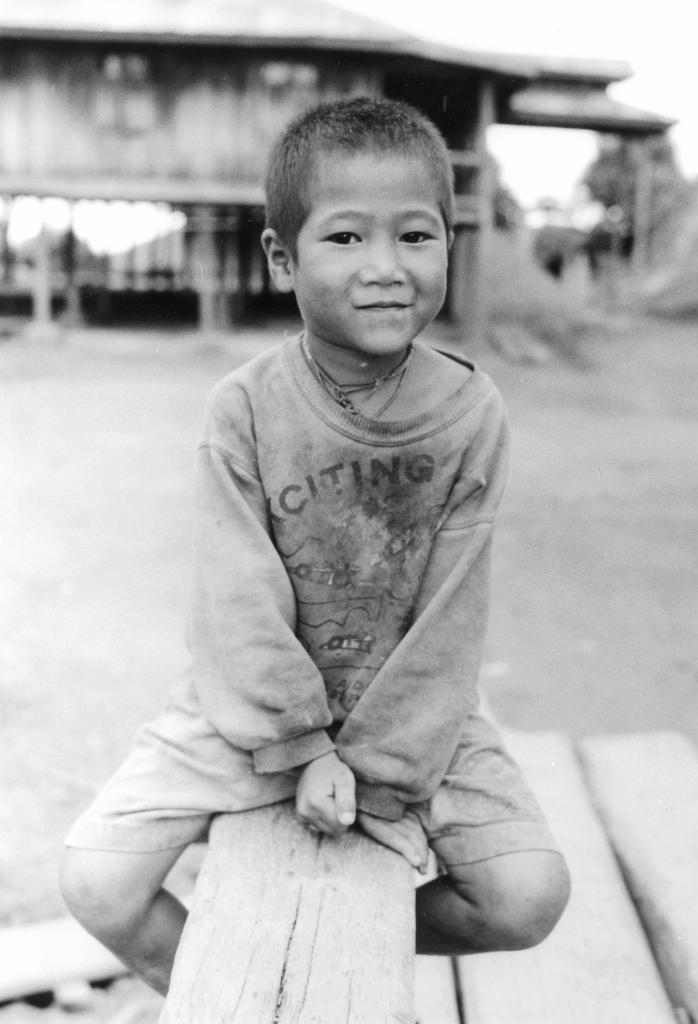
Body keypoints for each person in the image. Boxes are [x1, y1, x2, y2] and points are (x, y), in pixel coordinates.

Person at [60, 96, 570, 995]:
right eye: (345, 238)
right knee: (97, 883)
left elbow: (450, 616)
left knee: (527, 897)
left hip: (409, 709)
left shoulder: (470, 413)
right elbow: (236, 598)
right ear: (281, 257)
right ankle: (239, 986)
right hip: (250, 707)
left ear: (449, 243)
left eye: (415, 236)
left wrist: (378, 772)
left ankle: (342, 951)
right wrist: (299, 748)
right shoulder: (246, 407)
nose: (385, 268)